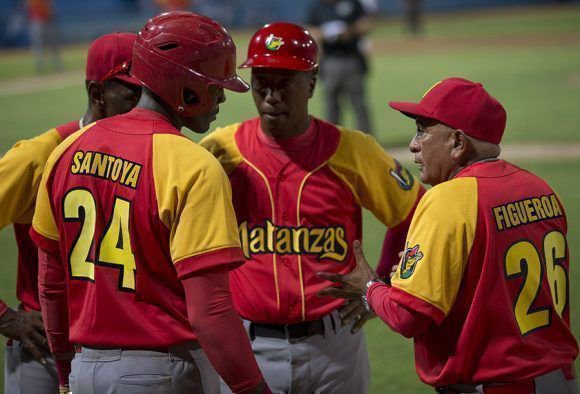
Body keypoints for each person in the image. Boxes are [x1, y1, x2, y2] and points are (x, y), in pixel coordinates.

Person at [30, 12, 269, 394]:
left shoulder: (66, 151)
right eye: (215, 86)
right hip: (161, 370)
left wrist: (64, 373)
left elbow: (51, 285)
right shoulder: (191, 164)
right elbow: (211, 313)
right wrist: (255, 389)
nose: (223, 96)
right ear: (186, 89)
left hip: (85, 369)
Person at [200, 22, 423, 393]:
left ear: (312, 84)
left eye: (285, 82)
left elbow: (414, 213)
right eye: (262, 83)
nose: (272, 96)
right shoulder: (219, 152)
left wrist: (379, 284)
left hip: (335, 346)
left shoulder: (355, 150)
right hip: (249, 346)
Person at [319, 77, 579, 393]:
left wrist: (369, 287)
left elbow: (406, 316)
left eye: (422, 130)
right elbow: (493, 280)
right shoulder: (540, 189)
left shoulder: (448, 199)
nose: (414, 144)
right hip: (558, 379)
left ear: (457, 142)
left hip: (494, 385)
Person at [0, 31, 142, 394]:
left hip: (127, 352)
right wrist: (5, 317)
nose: (146, 104)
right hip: (45, 352)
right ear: (97, 94)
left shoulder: (153, 152)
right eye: (133, 92)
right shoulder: (37, 156)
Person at [307, 0, 374, 134]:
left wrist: (349, 31)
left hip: (351, 59)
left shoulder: (352, 3)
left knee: (359, 104)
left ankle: (368, 141)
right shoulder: (318, 7)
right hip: (329, 61)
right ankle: (332, 142)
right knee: (331, 105)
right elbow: (310, 30)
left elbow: (367, 23)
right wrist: (324, 33)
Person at [25, 0, 62, 73]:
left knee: (53, 44)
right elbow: (29, 6)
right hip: (36, 21)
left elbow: (50, 7)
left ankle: (56, 64)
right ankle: (40, 65)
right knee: (38, 45)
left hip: (48, 20)